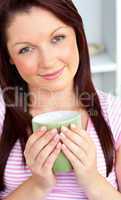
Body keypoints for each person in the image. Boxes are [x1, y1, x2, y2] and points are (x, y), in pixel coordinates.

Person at [0, 0, 121, 199]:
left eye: (57, 38)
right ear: (9, 56)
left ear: (77, 34)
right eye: (26, 49)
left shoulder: (114, 114)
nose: (47, 61)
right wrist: (38, 184)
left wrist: (91, 179)